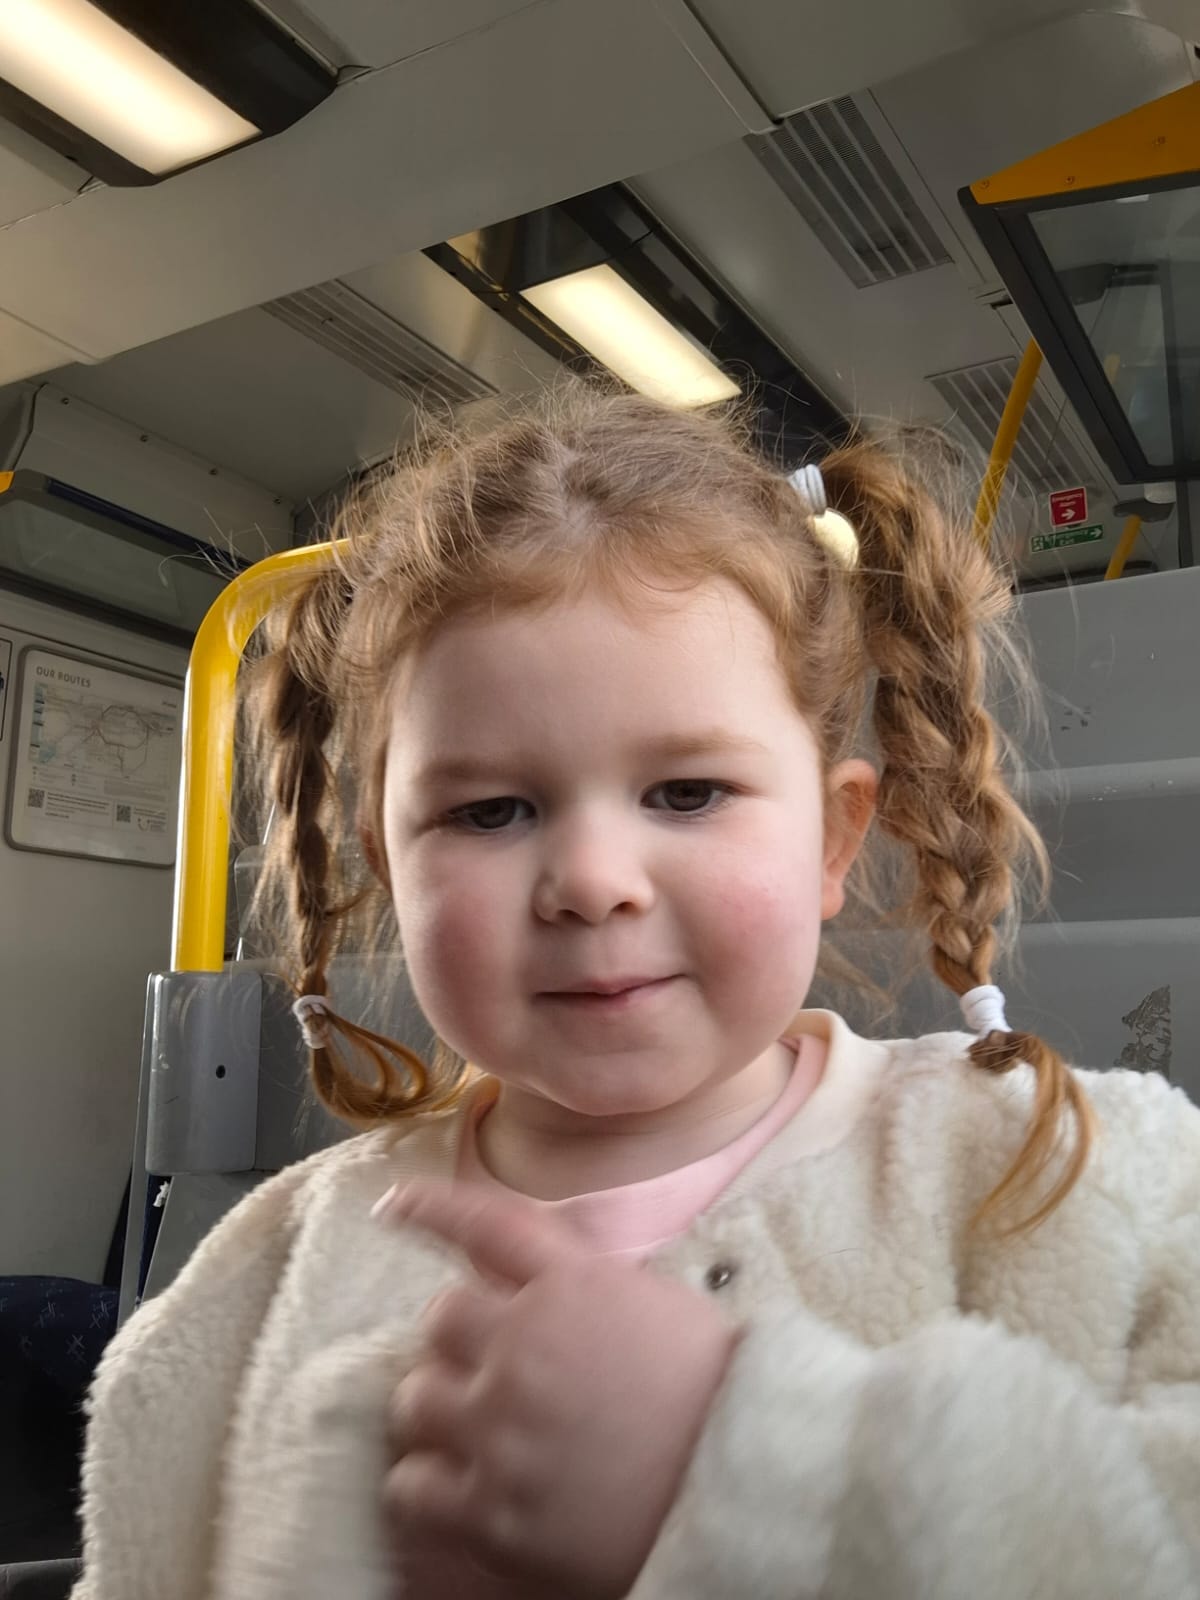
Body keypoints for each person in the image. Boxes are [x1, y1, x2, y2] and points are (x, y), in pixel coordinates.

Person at [69, 385, 1199, 1600]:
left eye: (687, 793)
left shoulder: (1062, 1174)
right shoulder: (259, 1279)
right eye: (489, 811)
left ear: (832, 837)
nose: (593, 881)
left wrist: (755, 1475)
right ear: (390, 866)